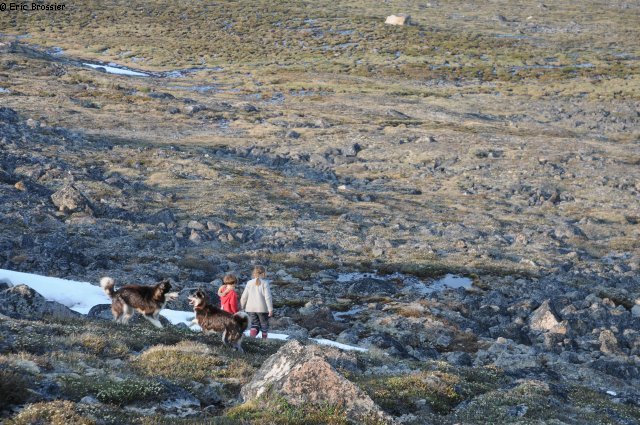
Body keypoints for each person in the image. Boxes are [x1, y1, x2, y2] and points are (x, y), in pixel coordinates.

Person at [240, 265, 273, 339]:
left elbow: (244, 296)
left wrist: (242, 306)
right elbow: (268, 297)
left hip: (250, 308)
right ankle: (264, 340)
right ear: (264, 274)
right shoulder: (265, 283)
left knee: (254, 324)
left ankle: (252, 339)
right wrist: (270, 309)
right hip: (262, 309)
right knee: (264, 324)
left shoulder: (249, 283)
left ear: (254, 273)